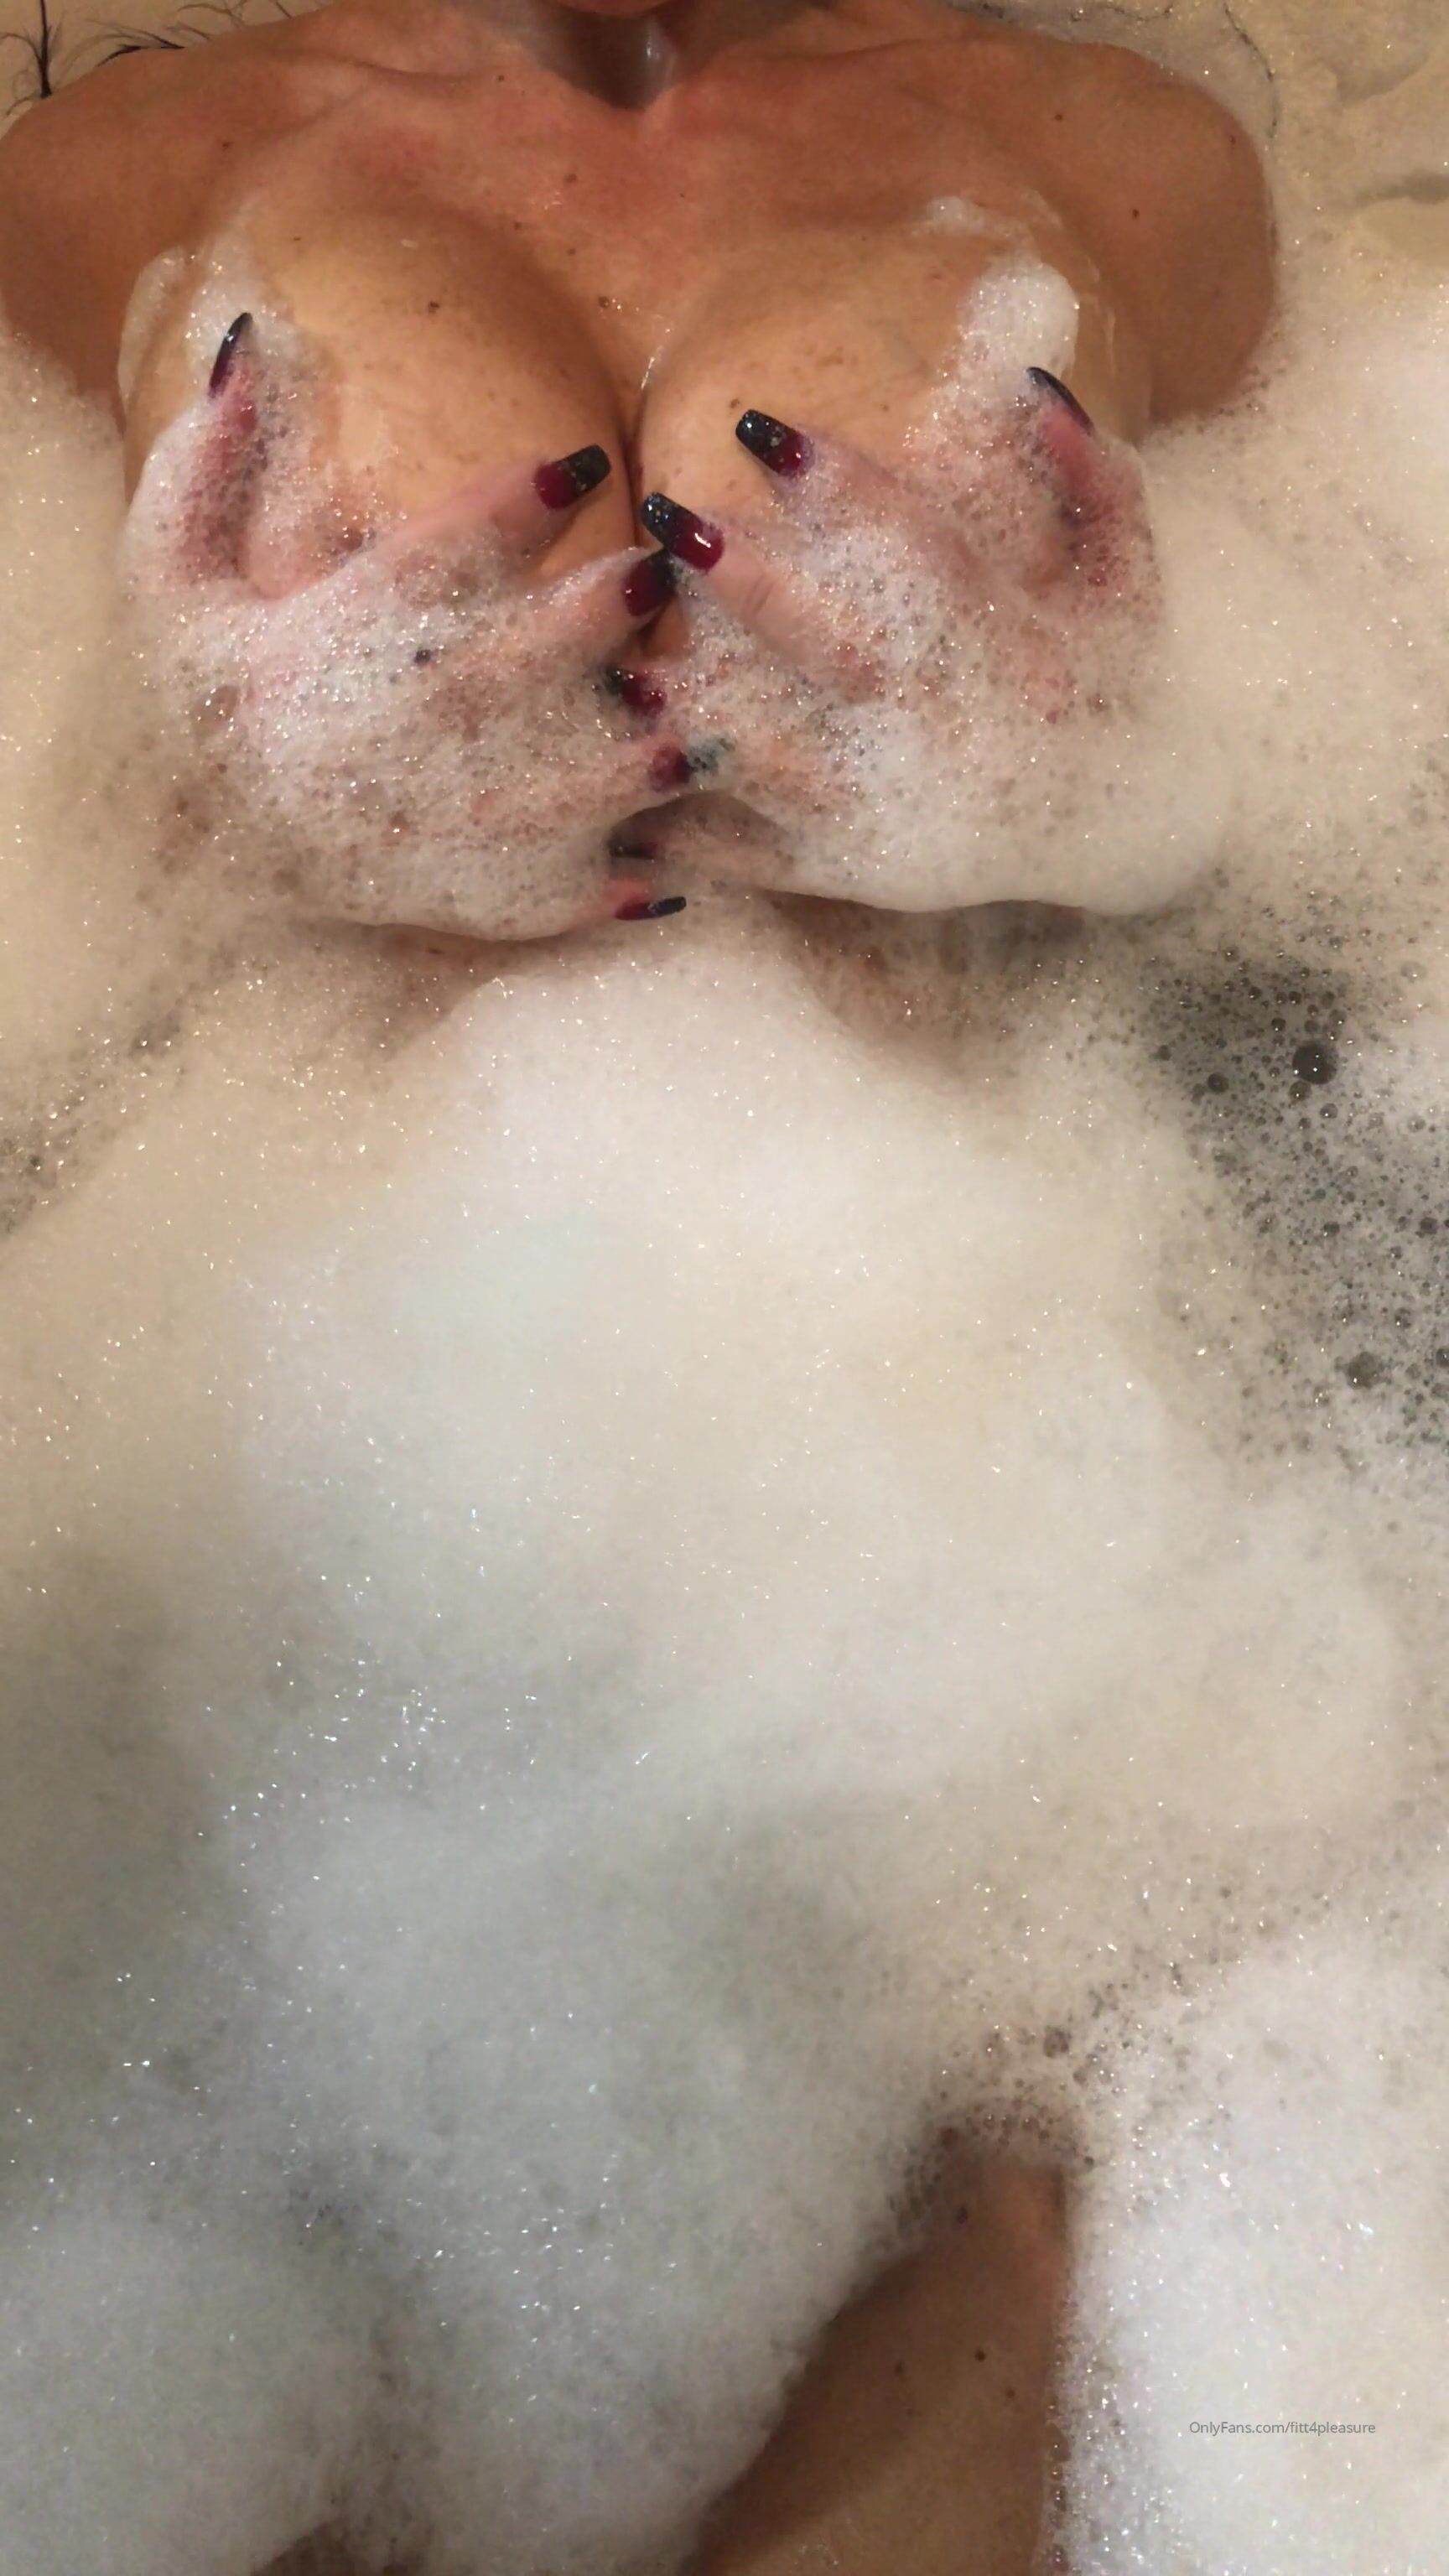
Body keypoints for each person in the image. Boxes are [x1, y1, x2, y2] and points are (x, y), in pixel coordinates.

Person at [0, 0, 1274, 2562]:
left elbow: (1318, 847)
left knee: (1077, 2332)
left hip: (973, 1560)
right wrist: (206, 823)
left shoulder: (1135, 161)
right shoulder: (111, 170)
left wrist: (1096, 803)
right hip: (263, 1535)